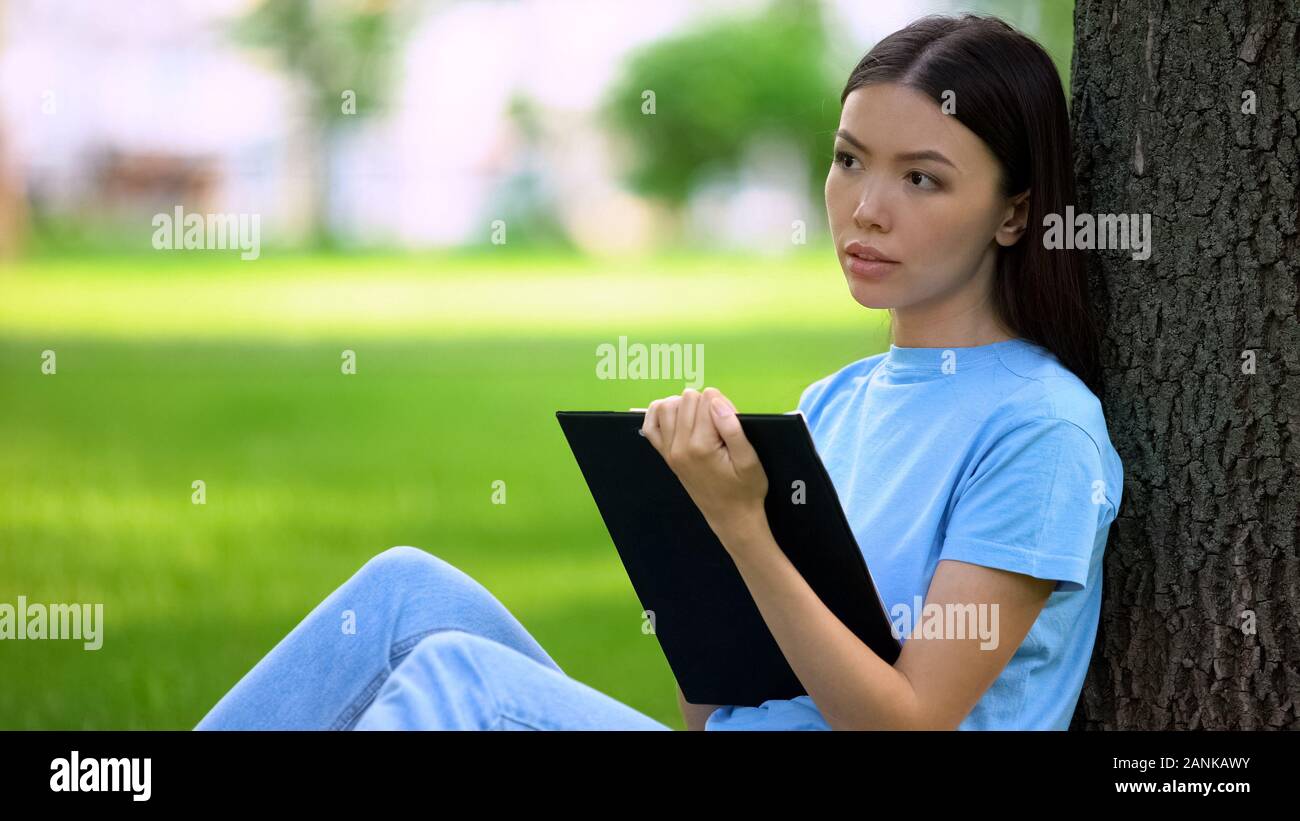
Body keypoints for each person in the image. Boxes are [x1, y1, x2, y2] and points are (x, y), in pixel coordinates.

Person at [195, 12, 1123, 731]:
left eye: (922, 178)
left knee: (459, 680)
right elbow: (719, 708)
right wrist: (693, 544)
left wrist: (743, 531)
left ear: (1013, 214)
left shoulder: (1039, 428)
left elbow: (912, 721)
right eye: (848, 161)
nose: (866, 207)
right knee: (405, 591)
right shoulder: (836, 403)